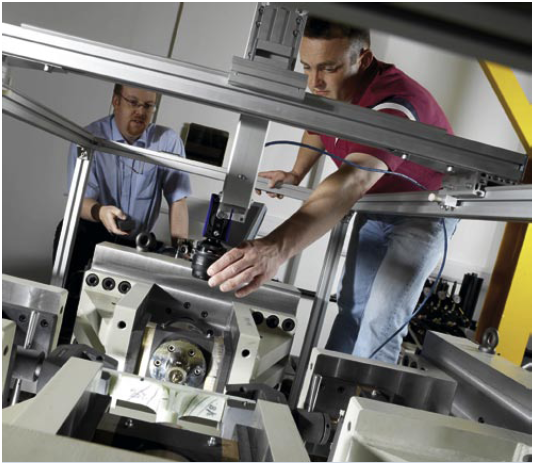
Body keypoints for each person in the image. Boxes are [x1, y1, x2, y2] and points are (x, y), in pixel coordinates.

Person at [206, 18, 458, 364]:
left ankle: (364, 398)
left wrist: (276, 248)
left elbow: (353, 180)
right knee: (351, 310)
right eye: (307, 67)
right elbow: (318, 127)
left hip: (423, 213)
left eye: (328, 68)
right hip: (376, 207)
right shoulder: (332, 90)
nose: (315, 82)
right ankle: (326, 395)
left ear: (362, 60)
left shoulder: (396, 104)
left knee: (380, 324)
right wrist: (297, 172)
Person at [55, 84, 191, 342]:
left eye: (148, 106)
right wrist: (101, 212)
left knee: (143, 309)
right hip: (95, 231)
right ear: (116, 101)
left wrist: (181, 251)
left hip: (138, 242)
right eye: (133, 102)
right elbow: (78, 202)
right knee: (69, 233)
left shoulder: (167, 141)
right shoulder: (89, 137)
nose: (141, 111)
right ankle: (60, 340)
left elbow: (178, 201)